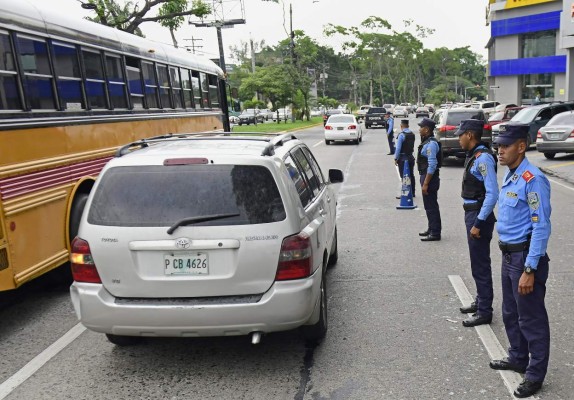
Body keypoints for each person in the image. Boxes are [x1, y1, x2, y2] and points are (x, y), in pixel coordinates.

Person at [489, 123, 551, 399]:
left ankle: (535, 375)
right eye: (498, 146)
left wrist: (530, 269)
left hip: (525, 258)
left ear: (521, 147)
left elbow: (541, 227)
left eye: (505, 146)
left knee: (531, 319)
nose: (499, 151)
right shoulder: (511, 174)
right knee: (510, 312)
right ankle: (518, 357)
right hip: (509, 254)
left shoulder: (532, 178)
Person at [454, 119, 498, 327]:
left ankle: (484, 311)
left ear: (470, 135)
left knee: (480, 264)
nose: (458, 138)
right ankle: (481, 301)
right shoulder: (475, 156)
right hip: (473, 213)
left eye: (460, 134)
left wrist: (478, 223)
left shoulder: (483, 159)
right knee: (477, 262)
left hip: (478, 215)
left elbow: (492, 194)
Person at [416, 117, 441, 241]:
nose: (419, 129)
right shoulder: (426, 142)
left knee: (431, 206)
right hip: (425, 175)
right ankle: (431, 228)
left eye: (421, 127)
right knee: (428, 205)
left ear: (427, 130)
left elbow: (432, 164)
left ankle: (435, 232)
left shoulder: (431, 144)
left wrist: (425, 183)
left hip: (429, 178)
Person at [394, 119, 416, 198]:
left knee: (404, 175)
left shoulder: (401, 135)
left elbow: (398, 148)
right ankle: (412, 192)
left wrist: (396, 158)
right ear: (408, 126)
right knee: (411, 175)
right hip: (411, 157)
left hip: (403, 158)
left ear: (401, 126)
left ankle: (405, 192)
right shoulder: (412, 134)